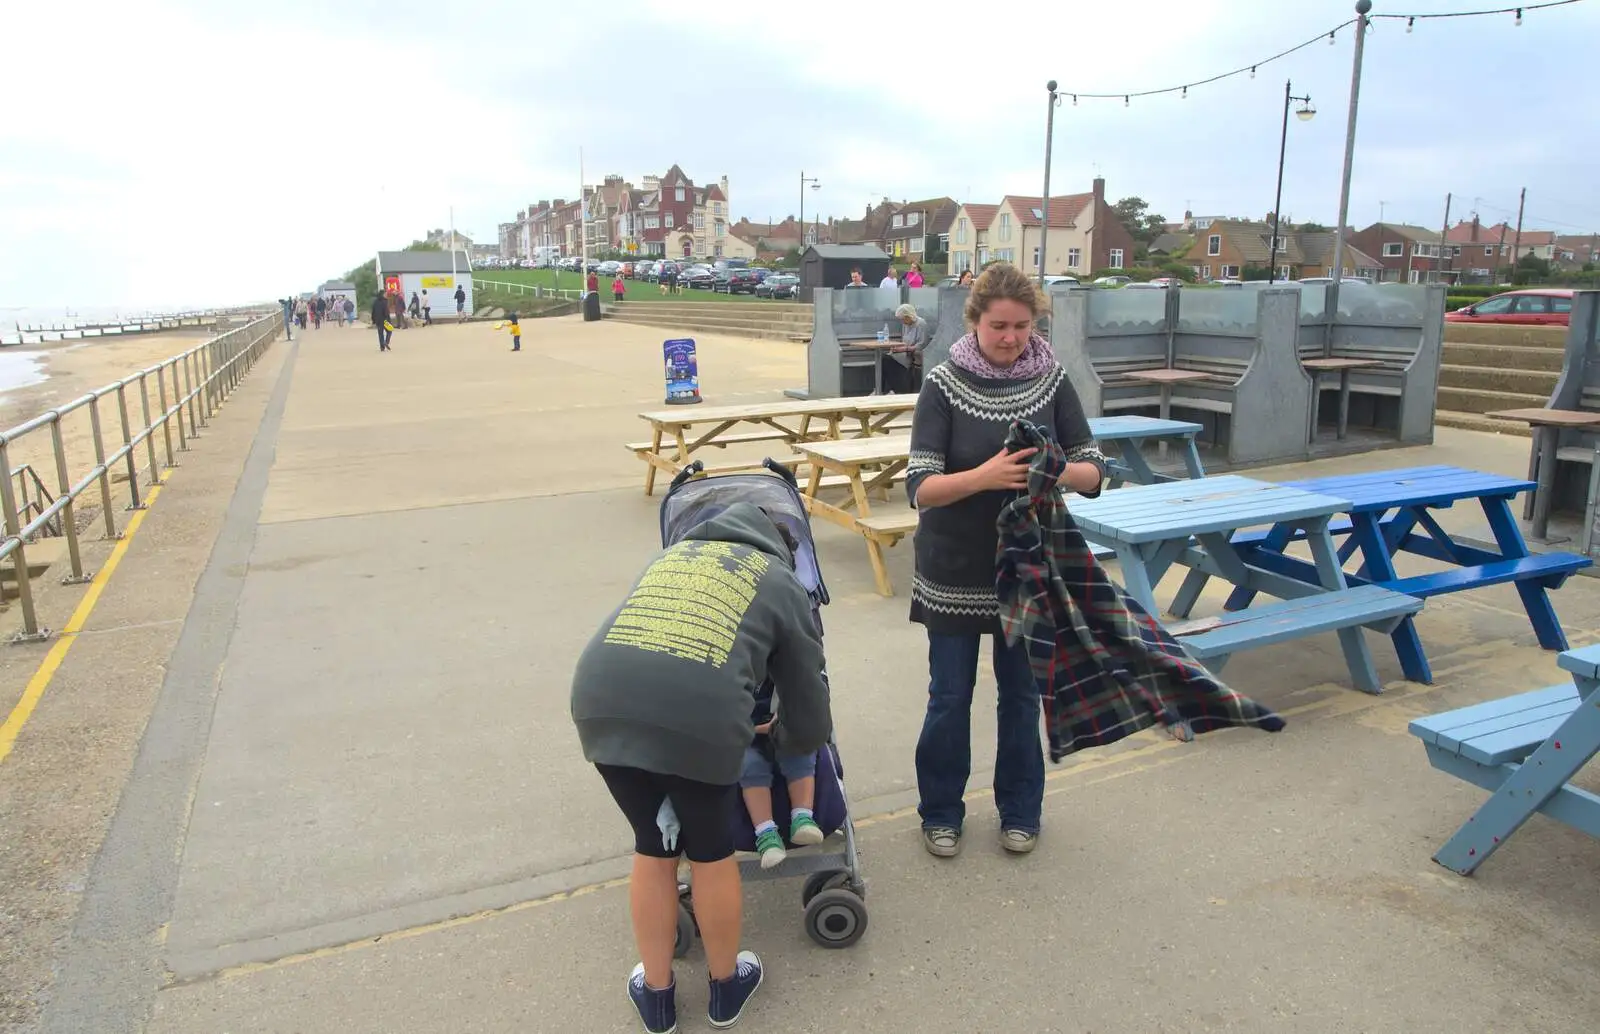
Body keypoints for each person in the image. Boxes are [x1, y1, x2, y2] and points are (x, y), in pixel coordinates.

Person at [571, 502, 832, 1034]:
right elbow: (807, 693)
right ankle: (724, 988)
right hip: (700, 718)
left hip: (602, 702)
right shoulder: (779, 582)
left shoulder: (671, 557)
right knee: (710, 854)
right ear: (781, 548)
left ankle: (658, 999)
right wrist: (793, 743)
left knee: (653, 843)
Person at [904, 261, 1107, 859]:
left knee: (1022, 698)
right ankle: (941, 812)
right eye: (999, 325)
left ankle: (1021, 810)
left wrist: (1057, 470)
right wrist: (986, 475)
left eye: (1023, 326)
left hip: (1028, 571)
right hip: (953, 568)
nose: (1012, 337)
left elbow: (1095, 471)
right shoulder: (941, 384)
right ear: (975, 320)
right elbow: (920, 487)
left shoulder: (1053, 380)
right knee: (949, 697)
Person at [885, 303, 929, 394]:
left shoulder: (921, 324)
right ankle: (890, 388)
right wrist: (897, 348)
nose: (902, 322)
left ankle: (899, 389)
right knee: (885, 359)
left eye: (903, 319)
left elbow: (922, 344)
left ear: (909, 316)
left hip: (917, 353)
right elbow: (904, 340)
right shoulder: (905, 325)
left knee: (890, 361)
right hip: (906, 351)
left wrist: (904, 349)